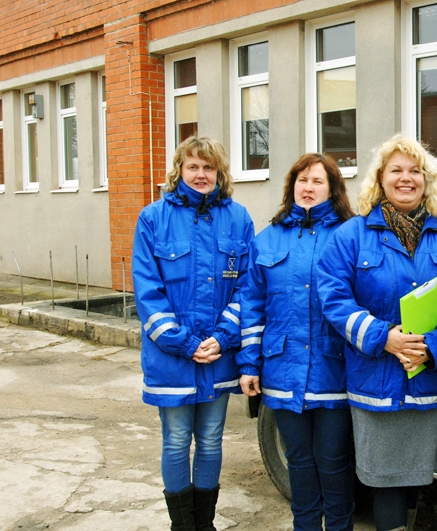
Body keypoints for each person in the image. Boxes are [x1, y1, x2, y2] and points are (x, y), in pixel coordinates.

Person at [317, 134, 437, 531]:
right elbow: (333, 299)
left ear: (426, 180)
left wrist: (435, 345)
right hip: (376, 382)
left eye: (415, 171)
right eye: (396, 171)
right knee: (385, 480)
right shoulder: (352, 236)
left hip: (427, 379)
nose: (406, 178)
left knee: (418, 478)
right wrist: (383, 337)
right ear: (380, 179)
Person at [132, 136, 254, 531]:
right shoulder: (153, 218)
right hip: (172, 359)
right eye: (193, 167)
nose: (201, 175)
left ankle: (205, 524)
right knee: (176, 439)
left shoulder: (239, 218)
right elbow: (147, 292)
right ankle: (182, 526)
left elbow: (248, 287)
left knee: (212, 438)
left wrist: (223, 336)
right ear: (179, 171)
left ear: (220, 173)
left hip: (219, 353)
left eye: (208, 167)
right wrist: (185, 343)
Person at [237, 153, 356, 531]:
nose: (308, 187)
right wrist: (249, 364)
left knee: (334, 462)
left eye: (318, 181)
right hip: (282, 371)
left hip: (333, 371)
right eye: (302, 180)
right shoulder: (267, 239)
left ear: (332, 190)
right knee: (299, 463)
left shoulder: (350, 235)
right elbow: (252, 306)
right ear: (291, 187)